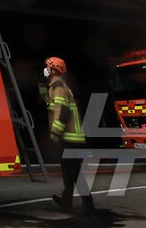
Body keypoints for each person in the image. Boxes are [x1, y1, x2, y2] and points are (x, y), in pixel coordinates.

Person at [44, 57, 93, 212]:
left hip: (70, 137)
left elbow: (62, 111)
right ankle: (67, 199)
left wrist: (55, 132)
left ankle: (88, 205)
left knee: (74, 171)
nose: (45, 69)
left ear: (53, 69)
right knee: (68, 170)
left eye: (47, 67)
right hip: (71, 137)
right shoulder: (56, 86)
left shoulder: (58, 86)